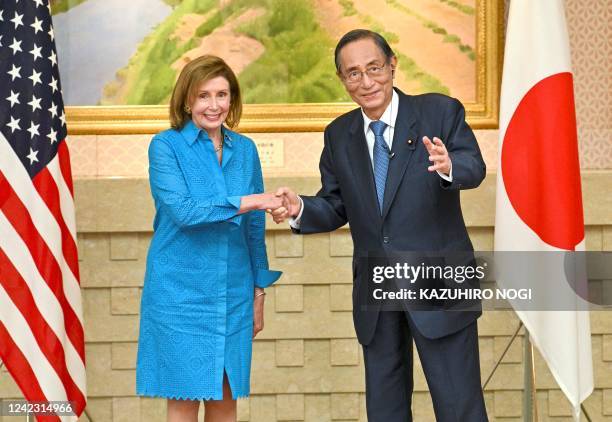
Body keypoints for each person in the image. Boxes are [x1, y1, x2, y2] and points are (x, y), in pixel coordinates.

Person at [273, 30, 488, 421]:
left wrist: (449, 167)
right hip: (377, 289)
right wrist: (300, 209)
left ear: (392, 65)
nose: (366, 81)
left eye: (374, 68)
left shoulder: (439, 111)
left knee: (460, 407)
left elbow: (474, 167)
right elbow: (336, 204)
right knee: (385, 410)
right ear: (342, 79)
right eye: (353, 73)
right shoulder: (339, 134)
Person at [136, 55, 282, 422]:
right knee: (184, 401)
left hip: (233, 292)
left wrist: (258, 292)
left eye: (222, 94)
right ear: (187, 100)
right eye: (203, 95)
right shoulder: (165, 146)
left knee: (225, 399)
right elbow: (186, 212)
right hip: (179, 293)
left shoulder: (245, 150)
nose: (214, 105)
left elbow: (254, 230)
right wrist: (253, 201)